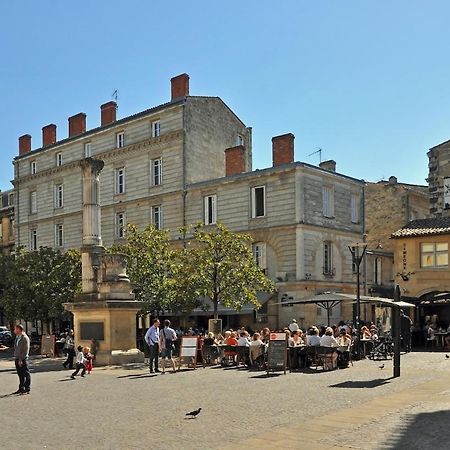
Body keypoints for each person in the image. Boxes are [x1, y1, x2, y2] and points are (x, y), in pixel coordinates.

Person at [13, 324, 31, 394]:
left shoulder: (25, 338)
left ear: (19, 329)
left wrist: (21, 359)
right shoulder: (17, 337)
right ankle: (21, 387)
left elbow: (25, 350)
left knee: (26, 373)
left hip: (23, 358)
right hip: (17, 358)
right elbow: (16, 347)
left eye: (15, 329)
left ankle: (27, 387)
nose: (14, 330)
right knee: (20, 374)